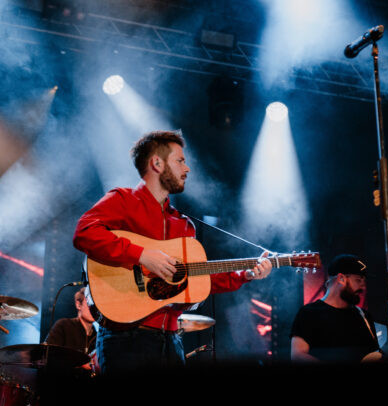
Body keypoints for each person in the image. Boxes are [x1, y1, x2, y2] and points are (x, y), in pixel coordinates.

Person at [72, 130, 272, 374]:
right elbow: (84, 233)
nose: (187, 169)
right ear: (157, 163)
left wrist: (245, 275)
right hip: (125, 339)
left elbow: (194, 279)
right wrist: (142, 255)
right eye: (180, 161)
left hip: (171, 341)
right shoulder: (122, 200)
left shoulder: (184, 225)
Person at [290, 254, 381, 363]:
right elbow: (297, 356)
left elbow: (373, 354)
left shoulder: (364, 316)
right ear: (341, 278)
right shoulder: (309, 313)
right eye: (358, 280)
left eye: (364, 281)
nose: (363, 287)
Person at [45, 287, 96, 355]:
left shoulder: (97, 336)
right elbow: (48, 354)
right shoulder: (63, 325)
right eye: (89, 303)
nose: (94, 308)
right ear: (78, 305)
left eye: (96, 305)